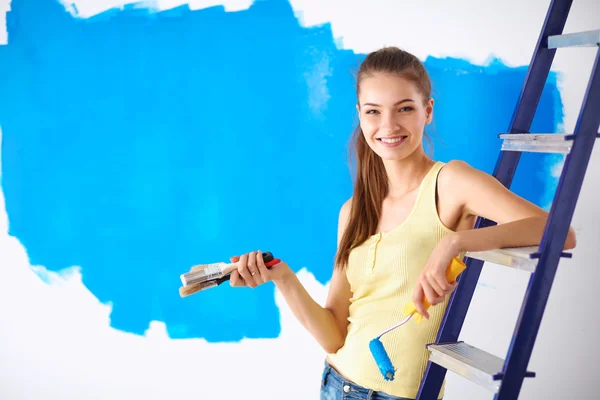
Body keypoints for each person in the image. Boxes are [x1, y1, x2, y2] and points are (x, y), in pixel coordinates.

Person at [227, 47, 577, 400]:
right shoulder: (353, 211)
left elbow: (561, 233)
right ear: (360, 117)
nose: (388, 126)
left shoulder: (451, 182)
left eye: (404, 108)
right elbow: (333, 335)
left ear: (427, 111)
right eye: (373, 112)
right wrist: (283, 278)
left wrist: (456, 242)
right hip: (336, 385)